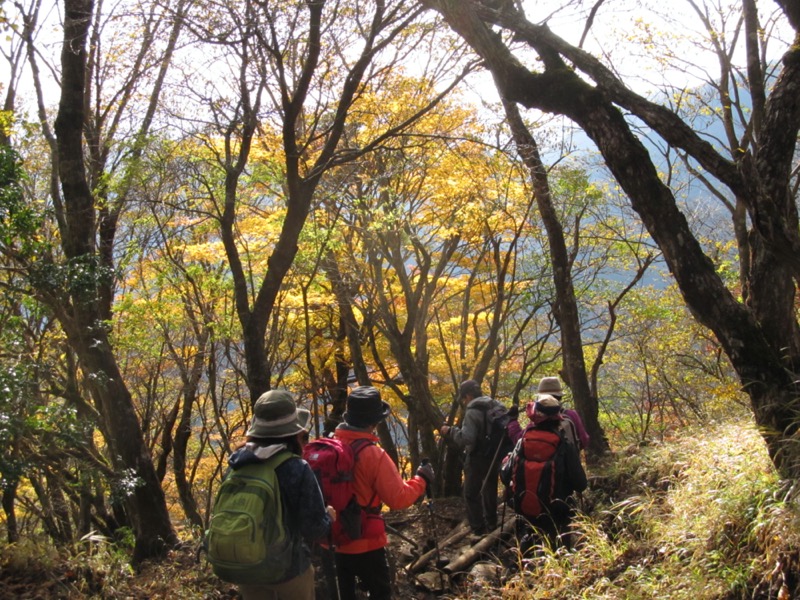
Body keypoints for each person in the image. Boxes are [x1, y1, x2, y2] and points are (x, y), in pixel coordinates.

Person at [229, 390, 335, 600]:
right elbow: (313, 528)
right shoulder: (297, 468)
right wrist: (328, 517)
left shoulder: (237, 463)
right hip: (289, 570)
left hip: (247, 568)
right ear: (293, 433)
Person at [331, 385, 432, 600]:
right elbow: (398, 499)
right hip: (366, 540)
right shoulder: (373, 455)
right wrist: (421, 479)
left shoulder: (332, 445)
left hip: (334, 537)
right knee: (380, 593)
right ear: (374, 422)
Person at [504, 395, 587, 552]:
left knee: (530, 536)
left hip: (526, 507)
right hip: (557, 510)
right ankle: (557, 568)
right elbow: (581, 484)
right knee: (558, 544)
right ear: (558, 418)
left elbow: (505, 475)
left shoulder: (523, 442)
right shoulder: (564, 445)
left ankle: (525, 567)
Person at [438, 379, 505, 536]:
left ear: (468, 395)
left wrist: (451, 431)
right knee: (490, 489)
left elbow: (466, 439)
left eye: (463, 398)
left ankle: (478, 529)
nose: (463, 401)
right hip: (495, 454)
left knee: (471, 493)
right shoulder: (496, 405)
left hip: (477, 457)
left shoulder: (472, 410)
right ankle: (492, 523)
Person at [537, 376, 590, 451]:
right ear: (560, 397)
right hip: (568, 461)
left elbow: (521, 440)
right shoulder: (571, 415)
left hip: (540, 462)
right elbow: (584, 440)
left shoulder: (536, 418)